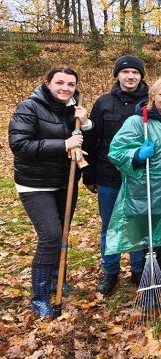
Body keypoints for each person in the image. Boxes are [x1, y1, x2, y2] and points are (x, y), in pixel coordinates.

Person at [9, 66, 91, 317]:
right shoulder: (29, 108)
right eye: (60, 83)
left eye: (71, 84)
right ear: (47, 83)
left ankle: (57, 279)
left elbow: (86, 143)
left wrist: (86, 123)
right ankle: (40, 297)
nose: (65, 88)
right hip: (35, 183)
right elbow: (20, 145)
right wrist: (64, 144)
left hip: (65, 182)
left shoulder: (71, 111)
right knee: (51, 235)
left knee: (63, 232)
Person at [106, 77, 161, 282]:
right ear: (152, 96)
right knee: (150, 245)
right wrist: (137, 155)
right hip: (147, 194)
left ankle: (160, 283)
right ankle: (148, 282)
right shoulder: (137, 122)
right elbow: (116, 152)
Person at [83, 55, 148, 295]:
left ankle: (138, 270)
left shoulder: (149, 103)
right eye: (125, 72)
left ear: (141, 76)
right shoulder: (103, 103)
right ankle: (110, 272)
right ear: (117, 75)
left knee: (137, 225)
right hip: (108, 175)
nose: (130, 76)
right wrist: (89, 174)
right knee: (110, 225)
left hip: (139, 175)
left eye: (135, 72)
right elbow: (93, 140)